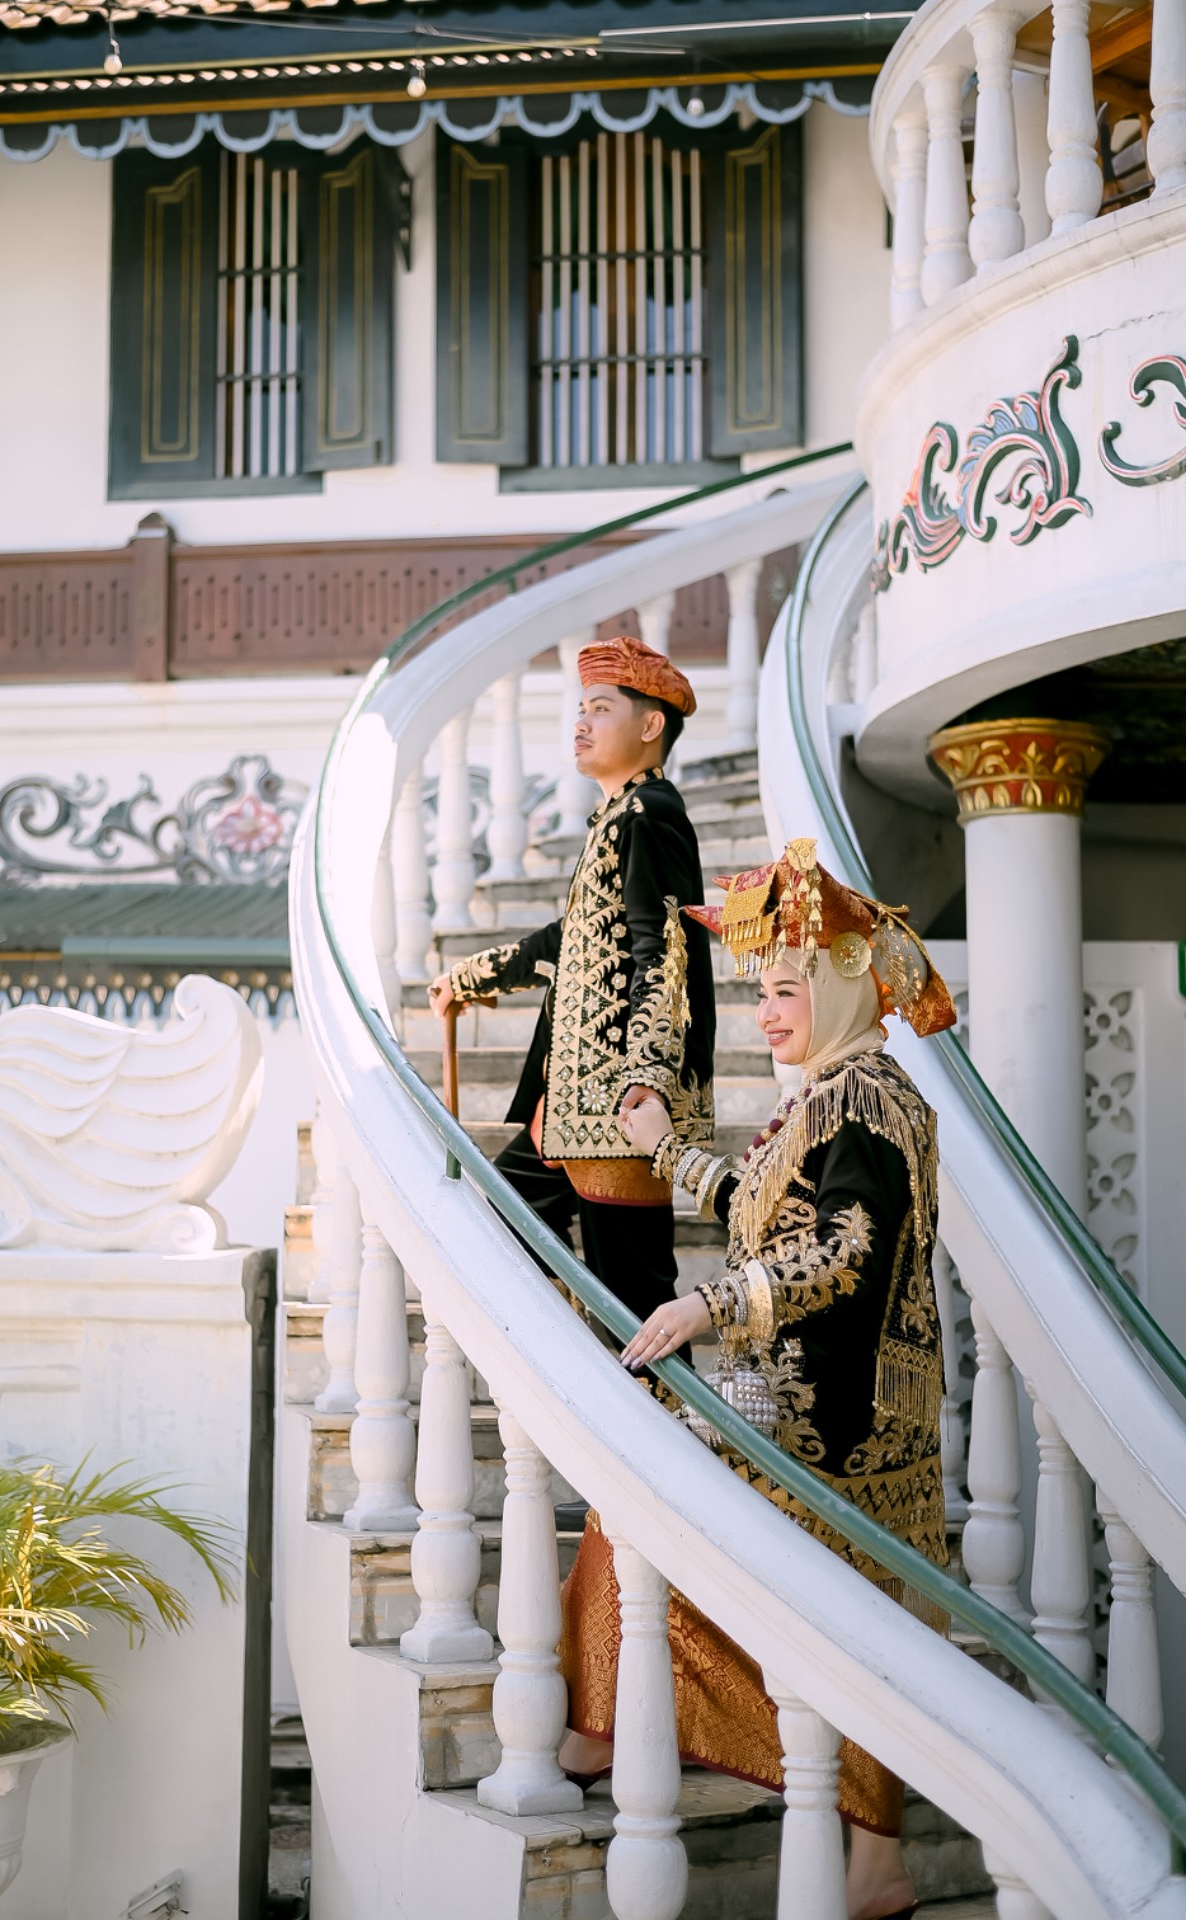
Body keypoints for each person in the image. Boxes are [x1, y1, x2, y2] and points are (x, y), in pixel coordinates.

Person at [558, 837, 958, 1920]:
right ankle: (868, 1860)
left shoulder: (863, 1100)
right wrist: (664, 1148)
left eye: (785, 989)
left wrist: (707, 1304)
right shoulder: (838, 1091)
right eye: (760, 993)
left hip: (830, 1421)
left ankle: (606, 1731)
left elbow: (843, 1250)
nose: (767, 1012)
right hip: (803, 1403)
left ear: (839, 985)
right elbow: (758, 1205)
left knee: (660, 1532)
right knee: (833, 1630)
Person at [428, 634, 717, 1329]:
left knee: (636, 1302)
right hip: (570, 1107)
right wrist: (476, 974)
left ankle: (634, 1399)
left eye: (601, 708)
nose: (581, 722)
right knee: (502, 1226)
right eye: (581, 709)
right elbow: (576, 937)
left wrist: (647, 1074)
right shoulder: (616, 818)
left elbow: (663, 948)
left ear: (650, 726)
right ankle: (569, 1365)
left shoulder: (651, 815)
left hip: (618, 1107)